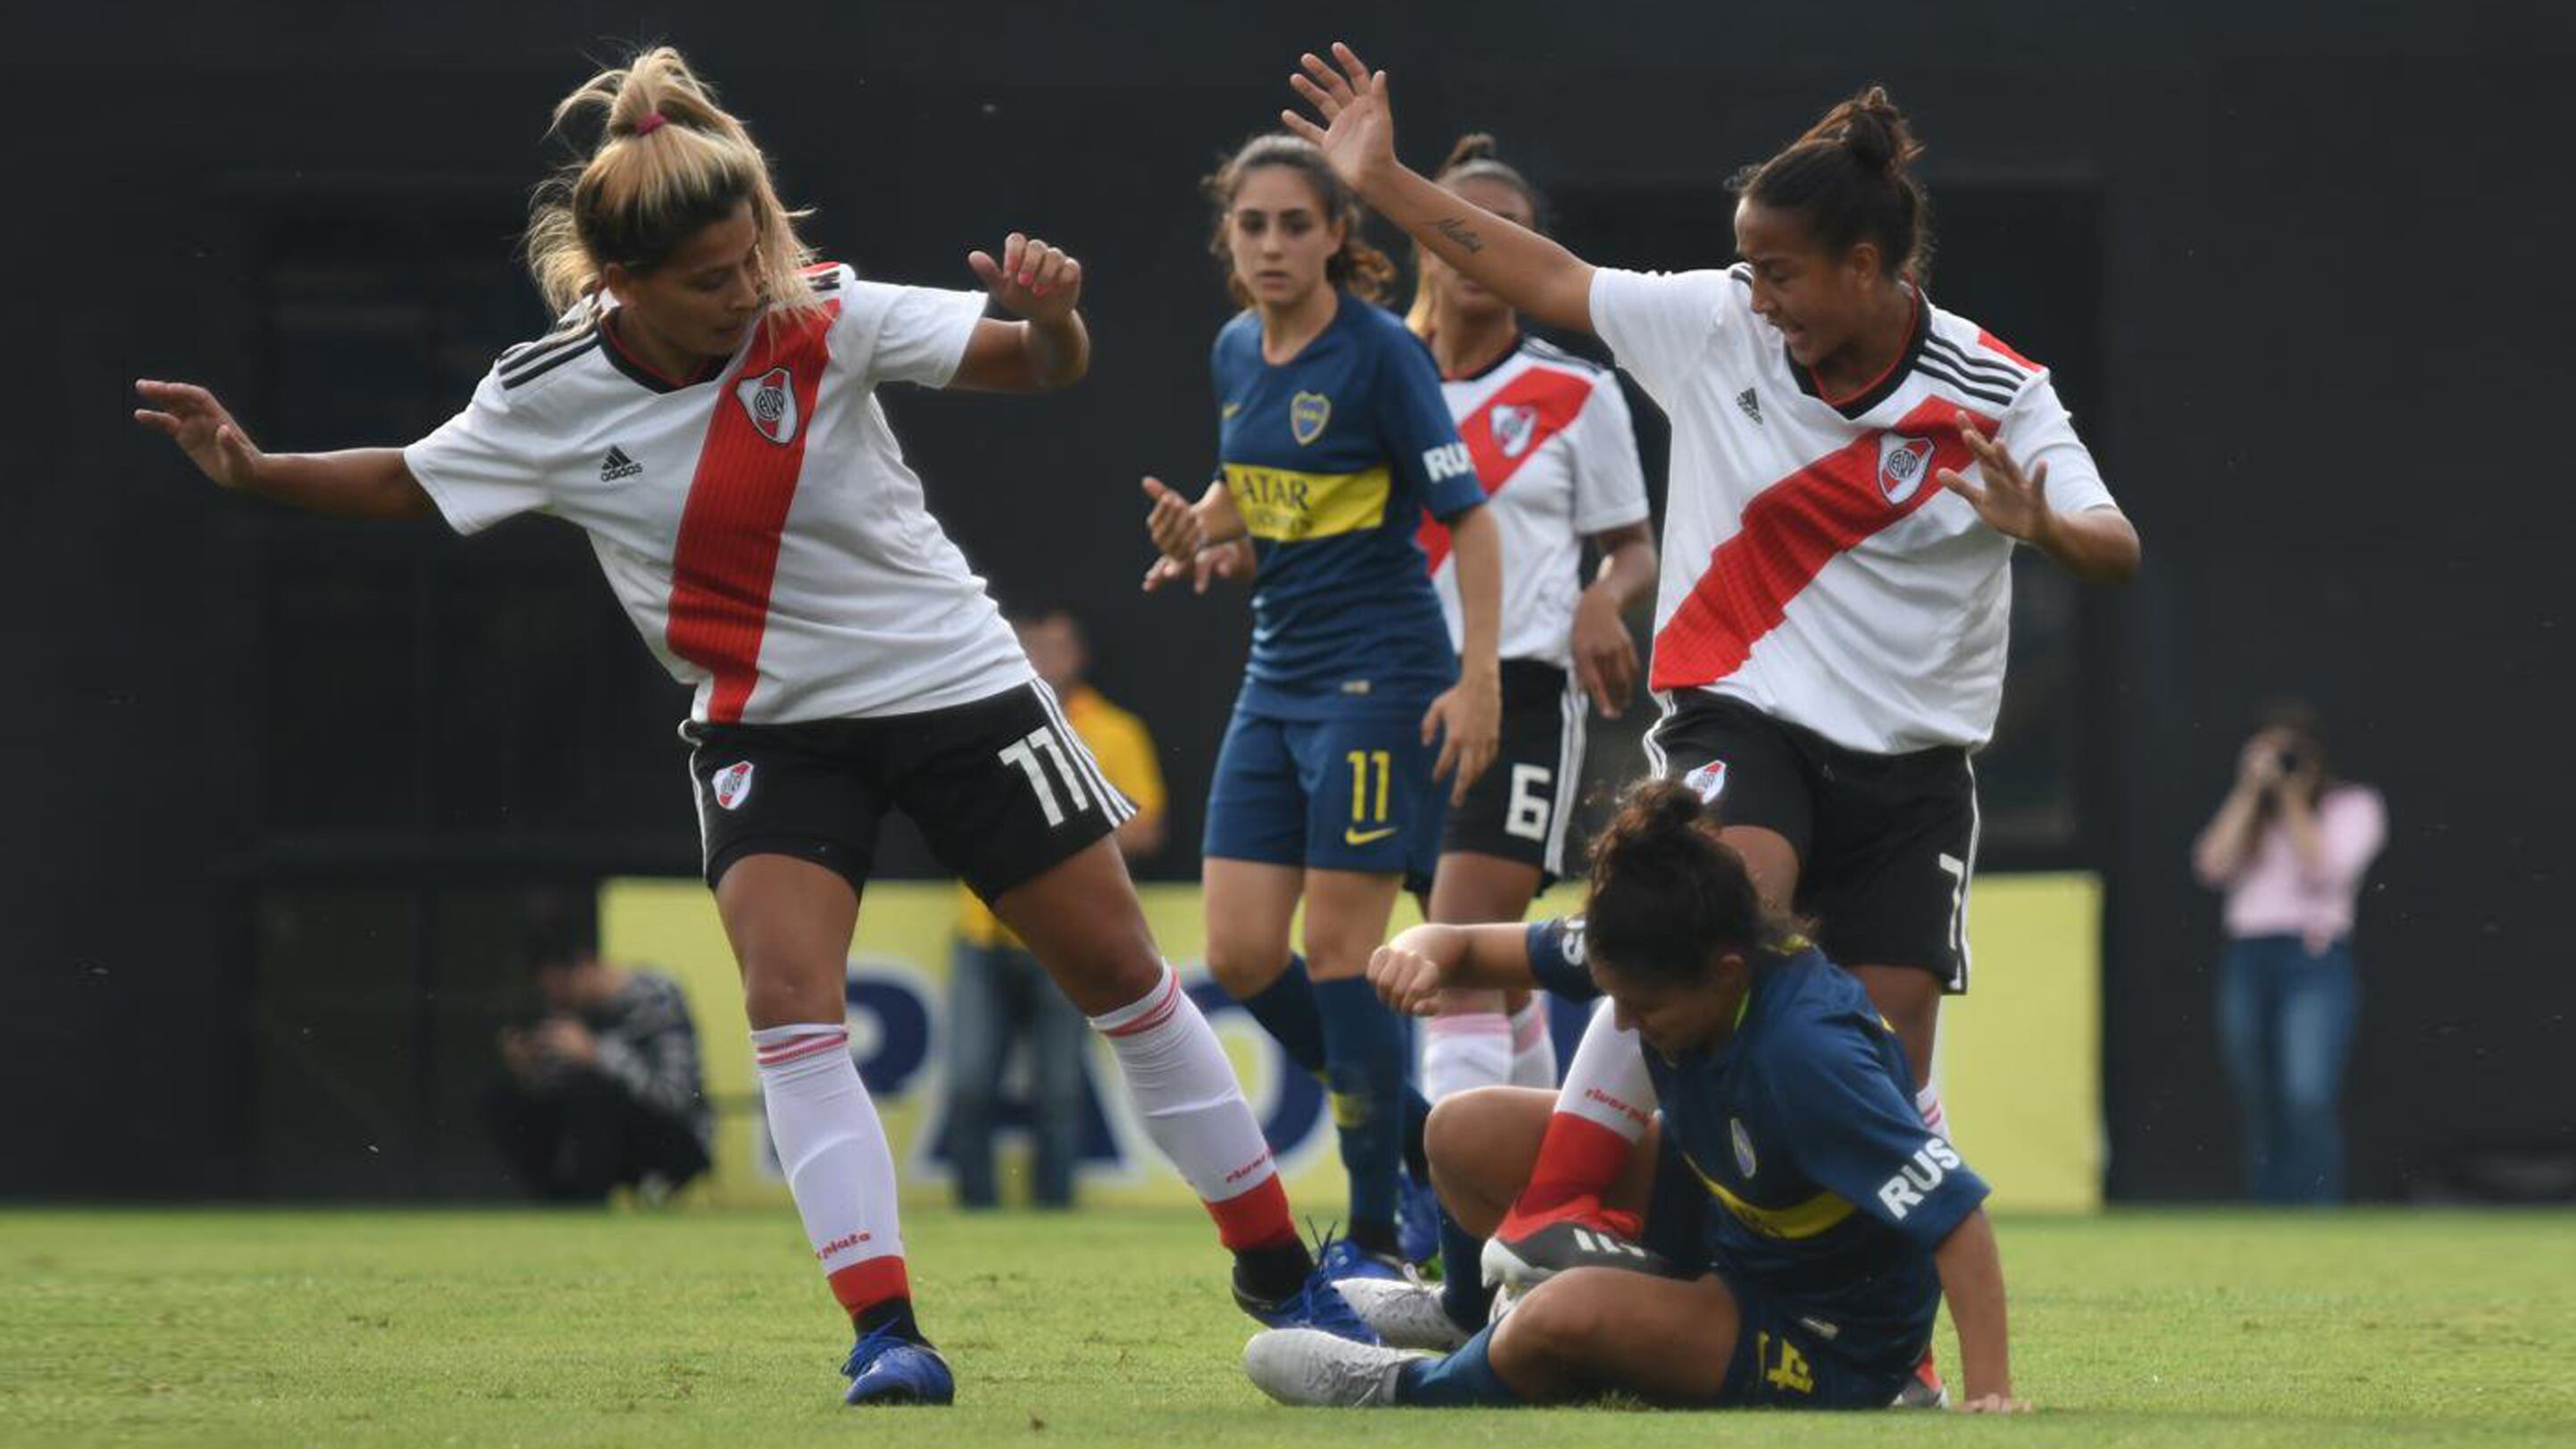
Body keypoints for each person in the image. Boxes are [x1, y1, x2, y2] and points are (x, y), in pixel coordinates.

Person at [134, 46, 1370, 1409]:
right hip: (768, 727)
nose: (745, 289)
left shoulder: (821, 311)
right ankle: (886, 1329)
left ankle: (1275, 1268)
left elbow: (1040, 367)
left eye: (749, 259)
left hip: (953, 681)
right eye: (710, 277)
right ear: (620, 285)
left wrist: (1054, 314)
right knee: (789, 1004)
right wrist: (255, 470)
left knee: (1125, 975)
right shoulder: (546, 392)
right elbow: (413, 482)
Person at [1282, 46, 2139, 1353]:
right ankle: (1559, 1202)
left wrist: (2047, 528)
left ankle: (1886, 1335)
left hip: (1912, 771)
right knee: (1717, 908)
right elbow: (1549, 280)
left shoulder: (1993, 390)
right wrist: (1387, 181)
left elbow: (2114, 537)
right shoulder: (1720, 326)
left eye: (1782, 269)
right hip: (1742, 710)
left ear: (1871, 267)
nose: (1758, 292)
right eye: (1748, 265)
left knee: (1880, 1051)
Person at [1242, 781, 2027, 1411]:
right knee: (1461, 1130)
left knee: (1564, 1315)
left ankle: (1399, 1386)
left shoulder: (1811, 1056)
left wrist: (1990, 1392)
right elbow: (1467, 944)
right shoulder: (1663, 938)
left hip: (1820, 1333)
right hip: (1726, 1225)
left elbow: (1955, 1213)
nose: (1622, 1022)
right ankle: (1466, 1313)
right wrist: (1418, 949)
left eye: (1642, 1009)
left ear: (1724, 974)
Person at [1138, 132, 1503, 1277]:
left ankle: (1384, 1237)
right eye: (1253, 225)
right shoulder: (1235, 350)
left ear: (1341, 236)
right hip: (1276, 674)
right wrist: (1201, 530)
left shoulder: (1384, 353)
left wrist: (1477, 673)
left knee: (1341, 952)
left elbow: (1473, 520)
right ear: (1227, 237)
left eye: (1297, 223)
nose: (1273, 244)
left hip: (1378, 673)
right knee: (1243, 954)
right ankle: (1430, 1160)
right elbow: (1255, 489)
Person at [1400, 131, 1660, 1328]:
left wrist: (1607, 596)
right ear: (1421, 239)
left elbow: (1633, 543)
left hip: (1519, 692)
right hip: (1383, 690)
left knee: (1457, 950)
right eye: (1458, 229)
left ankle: (1456, 1283)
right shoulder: (1372, 373)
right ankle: (1544, 1232)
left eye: (1500, 234)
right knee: (1484, 984)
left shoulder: (1576, 389)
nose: (1476, 254)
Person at [945, 607, 1167, 1209]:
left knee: (1061, 1091)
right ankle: (975, 1220)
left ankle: (1054, 1219)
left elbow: (1147, 828)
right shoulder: (980, 722)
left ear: (1080, 657)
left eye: (1055, 646)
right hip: (982, 932)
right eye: (1030, 644)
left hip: (1066, 935)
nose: (1042, 655)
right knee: (966, 1085)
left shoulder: (1115, 731)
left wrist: (1056, 827)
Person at [2192, 699, 2384, 1203]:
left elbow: (2327, 872)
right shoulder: (2252, 815)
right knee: (2258, 1094)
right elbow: (2211, 866)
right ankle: (2269, 1210)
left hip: (2313, 958)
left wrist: (2294, 798)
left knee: (2307, 1092)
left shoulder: (2354, 806)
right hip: (2248, 958)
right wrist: (2249, 790)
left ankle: (2316, 1206)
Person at [486, 890, 713, 1202]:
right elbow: (560, 1097)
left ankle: (587, 1204)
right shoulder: (568, 1011)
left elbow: (675, 1096)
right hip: (598, 1142)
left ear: (583, 966)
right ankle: (559, 1204)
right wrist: (528, 1071)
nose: (557, 1003)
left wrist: (597, 1054)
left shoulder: (655, 995)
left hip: (672, 1139)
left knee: (590, 1088)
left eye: (561, 991)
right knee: (503, 1101)